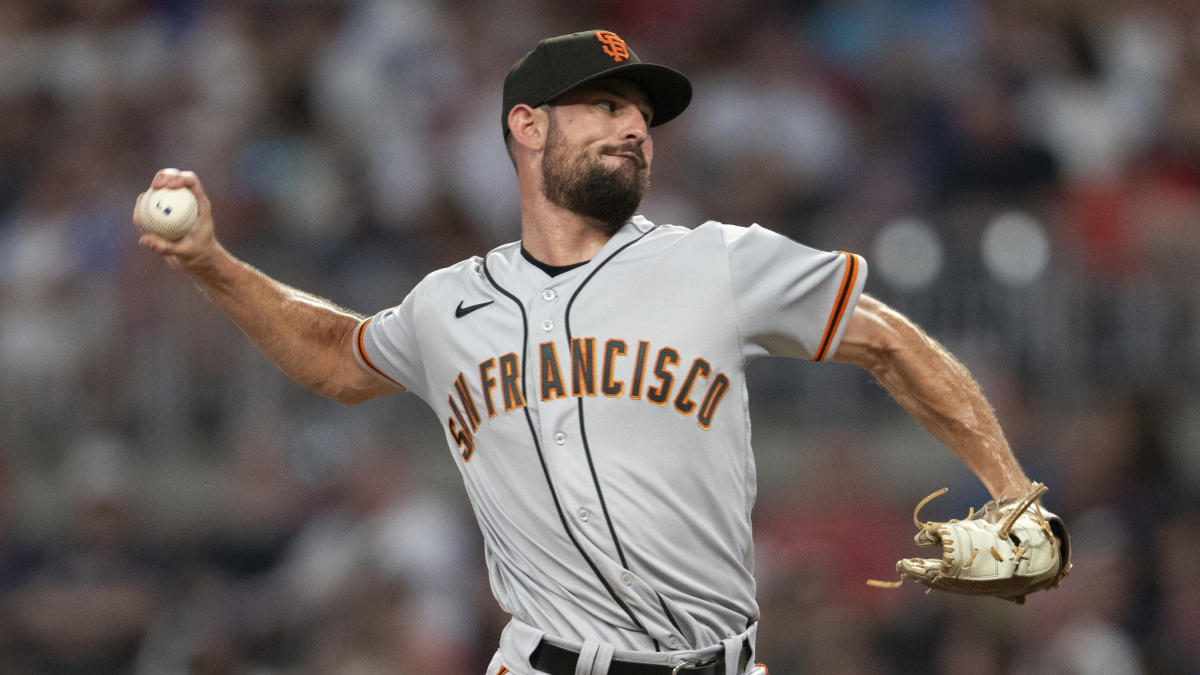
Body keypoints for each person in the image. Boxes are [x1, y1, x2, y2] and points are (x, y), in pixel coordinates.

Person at [134, 29, 1051, 675]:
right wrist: (214, 264)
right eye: (605, 105)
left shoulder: (716, 261)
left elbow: (892, 345)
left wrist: (1012, 495)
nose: (634, 127)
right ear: (526, 127)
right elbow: (336, 357)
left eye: (643, 114)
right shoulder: (448, 304)